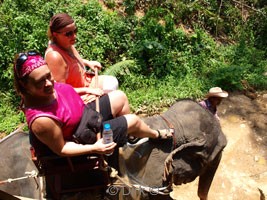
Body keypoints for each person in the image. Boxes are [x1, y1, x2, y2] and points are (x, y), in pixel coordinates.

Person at [13, 51, 173, 157]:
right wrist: (94, 148)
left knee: (120, 97)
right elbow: (61, 149)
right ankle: (155, 135)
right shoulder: (41, 120)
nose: (49, 83)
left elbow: (63, 90)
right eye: (41, 82)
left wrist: (86, 91)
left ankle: (129, 137)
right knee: (133, 120)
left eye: (49, 76)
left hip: (85, 115)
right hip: (82, 135)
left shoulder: (46, 89)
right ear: (26, 86)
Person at [45, 13, 118, 104]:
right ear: (55, 34)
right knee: (117, 96)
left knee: (111, 83)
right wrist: (87, 91)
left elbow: (69, 62)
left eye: (75, 30)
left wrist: (87, 62)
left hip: (86, 82)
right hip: (77, 96)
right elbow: (61, 90)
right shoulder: (54, 56)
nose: (74, 36)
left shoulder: (65, 43)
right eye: (69, 33)